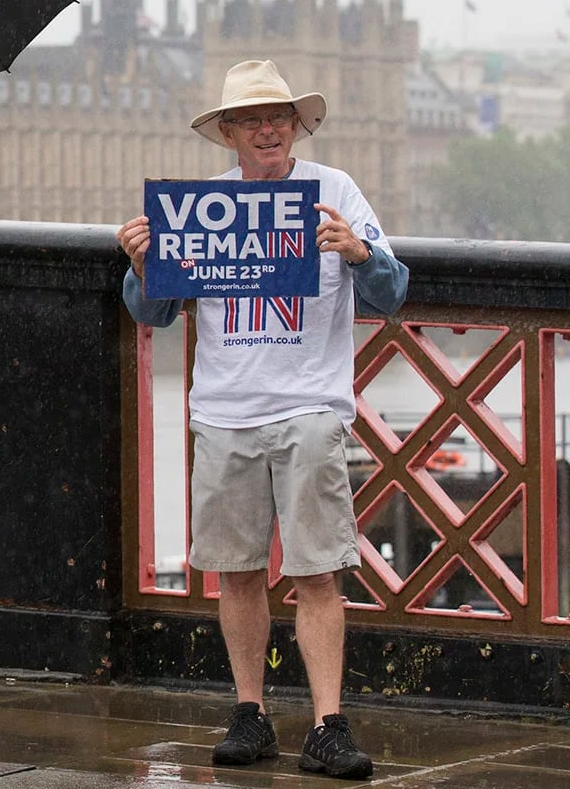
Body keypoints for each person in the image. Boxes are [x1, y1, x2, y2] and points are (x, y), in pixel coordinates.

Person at [117, 59, 407, 781]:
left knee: (317, 573)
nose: (267, 129)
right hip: (223, 411)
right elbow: (150, 313)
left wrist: (359, 251)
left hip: (310, 407)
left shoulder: (334, 192)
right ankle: (249, 714)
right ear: (229, 135)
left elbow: (393, 290)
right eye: (251, 119)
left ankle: (327, 724)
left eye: (278, 116)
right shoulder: (198, 207)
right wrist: (141, 265)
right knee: (237, 574)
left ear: (296, 125)